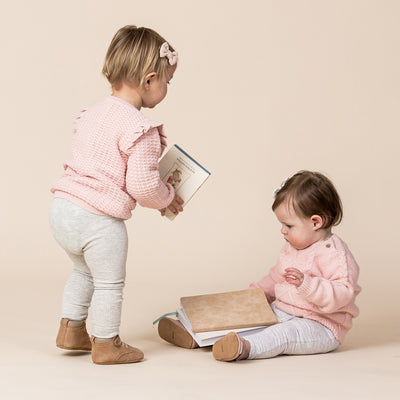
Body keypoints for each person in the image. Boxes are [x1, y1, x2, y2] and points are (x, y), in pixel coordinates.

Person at [49, 25, 183, 365]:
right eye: (168, 81)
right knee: (109, 283)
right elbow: (143, 186)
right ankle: (107, 344)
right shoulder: (141, 130)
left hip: (63, 209)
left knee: (83, 272)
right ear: (150, 80)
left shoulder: (92, 112)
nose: (167, 88)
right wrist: (168, 196)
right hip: (98, 220)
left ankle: (71, 328)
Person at [158, 171, 361, 361]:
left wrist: (307, 284)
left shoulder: (334, 254)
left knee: (283, 335)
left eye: (289, 226)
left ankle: (245, 348)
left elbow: (343, 294)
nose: (283, 231)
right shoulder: (292, 247)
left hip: (320, 325)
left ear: (315, 222)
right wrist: (254, 296)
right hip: (283, 312)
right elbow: (275, 278)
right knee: (249, 320)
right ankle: (196, 335)